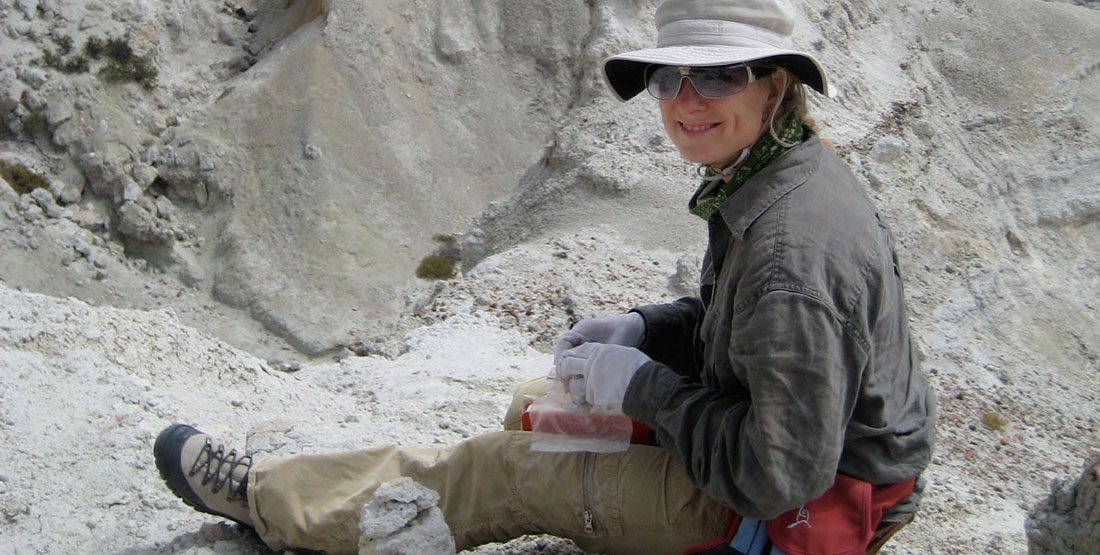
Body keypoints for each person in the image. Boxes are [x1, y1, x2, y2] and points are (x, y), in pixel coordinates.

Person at [153, 0, 935, 553]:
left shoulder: (792, 251)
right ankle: (420, 493)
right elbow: (742, 331)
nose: (687, 102)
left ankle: (269, 497)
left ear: (774, 82)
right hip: (796, 465)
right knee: (539, 406)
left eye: (719, 74)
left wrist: (642, 387)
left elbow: (778, 474)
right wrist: (644, 329)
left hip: (799, 515)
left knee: (505, 467)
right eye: (670, 79)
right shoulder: (774, 171)